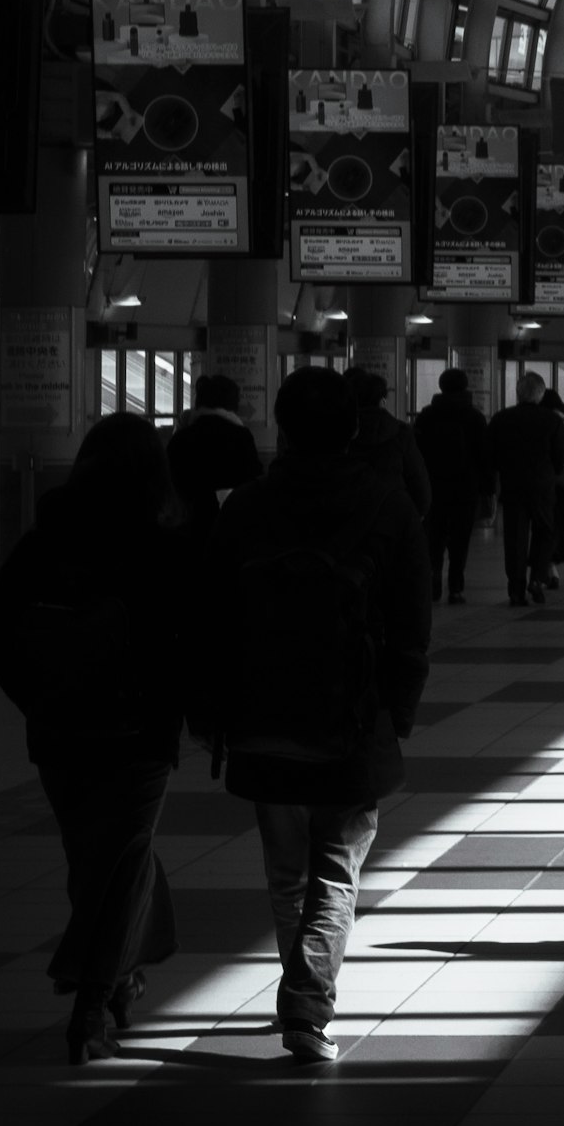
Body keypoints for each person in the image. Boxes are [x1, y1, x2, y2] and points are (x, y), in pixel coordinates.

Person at [200, 367, 433, 1064]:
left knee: (286, 872)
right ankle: (306, 1006)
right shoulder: (387, 505)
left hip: (263, 714)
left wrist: (213, 711)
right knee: (336, 870)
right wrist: (401, 710)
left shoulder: (245, 505)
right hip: (353, 719)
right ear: (354, 429)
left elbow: (210, 615)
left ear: (280, 426)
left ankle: (300, 989)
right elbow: (413, 620)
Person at [0, 413, 195, 1060]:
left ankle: (121, 974)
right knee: (123, 863)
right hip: (137, 734)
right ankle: (92, 1002)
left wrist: (34, 697)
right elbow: (184, 642)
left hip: (59, 735)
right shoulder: (160, 544)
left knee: (96, 864)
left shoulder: (47, 539)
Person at [490, 370, 564, 607]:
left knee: (515, 538)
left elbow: (491, 455)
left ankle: (516, 589)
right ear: (540, 394)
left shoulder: (501, 419)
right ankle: (538, 579)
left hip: (513, 486)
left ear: (518, 393)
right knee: (545, 531)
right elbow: (561, 458)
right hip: (543, 486)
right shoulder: (552, 421)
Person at [414, 366, 491, 604]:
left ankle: (433, 579)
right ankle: (456, 587)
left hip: (434, 486)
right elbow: (484, 457)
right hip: (465, 487)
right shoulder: (474, 417)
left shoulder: (426, 416)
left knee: (433, 537)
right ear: (465, 386)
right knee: (460, 539)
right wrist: (488, 491)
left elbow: (417, 452)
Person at [169, 372, 264, 531]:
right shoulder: (241, 437)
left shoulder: (182, 439)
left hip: (190, 526)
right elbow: (252, 479)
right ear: (233, 404)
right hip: (233, 524)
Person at [341, 362, 433, 520]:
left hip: (348, 513)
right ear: (381, 400)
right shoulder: (400, 432)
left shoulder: (337, 431)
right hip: (392, 511)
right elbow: (416, 475)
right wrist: (420, 510)